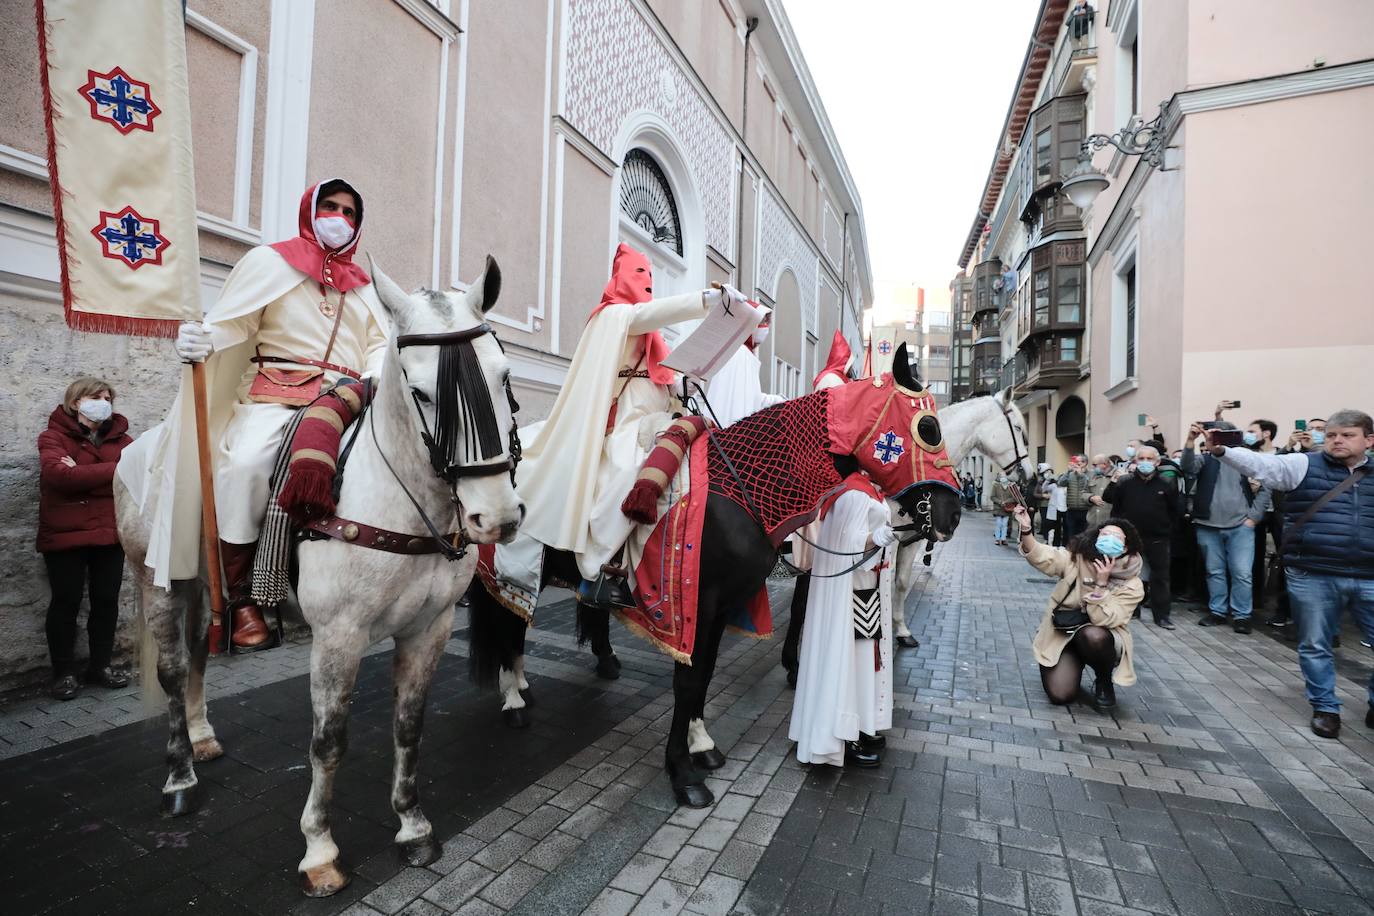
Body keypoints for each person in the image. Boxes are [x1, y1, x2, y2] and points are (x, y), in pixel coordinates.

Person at [164, 179, 389, 653]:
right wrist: (204, 337)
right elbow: (236, 321)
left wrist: (376, 375)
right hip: (277, 393)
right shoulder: (271, 261)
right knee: (245, 465)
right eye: (330, 206)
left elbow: (379, 345)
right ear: (309, 209)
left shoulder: (367, 288)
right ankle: (243, 598)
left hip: (345, 399)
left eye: (349, 212)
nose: (339, 218)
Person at [513, 244, 734, 596]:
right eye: (638, 274)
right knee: (627, 468)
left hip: (657, 417)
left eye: (650, 276)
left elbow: (658, 377)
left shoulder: (649, 331)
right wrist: (705, 300)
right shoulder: (613, 316)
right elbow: (646, 317)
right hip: (622, 426)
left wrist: (682, 383)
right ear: (619, 279)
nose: (647, 281)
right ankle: (602, 564)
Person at [1205, 409, 1374, 739]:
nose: (1337, 440)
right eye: (1332, 434)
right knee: (1315, 643)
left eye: (1347, 435)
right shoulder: (1303, 465)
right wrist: (1224, 451)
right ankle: (1325, 707)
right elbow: (1264, 466)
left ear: (1369, 440)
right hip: (1314, 572)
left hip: (1369, 574)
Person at [790, 474, 897, 767]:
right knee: (848, 660)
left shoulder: (869, 489)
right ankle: (841, 735)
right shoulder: (852, 492)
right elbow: (844, 545)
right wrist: (873, 539)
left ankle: (860, 724)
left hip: (867, 586)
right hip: (850, 590)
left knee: (864, 659)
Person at [37, 378, 134, 700]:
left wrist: (83, 473)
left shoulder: (123, 440)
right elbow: (59, 477)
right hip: (66, 534)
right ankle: (63, 673)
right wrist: (115, 470)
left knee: (106, 602)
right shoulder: (52, 437)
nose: (104, 401)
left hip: (110, 532)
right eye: (96, 396)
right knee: (66, 602)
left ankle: (100, 666)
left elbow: (138, 476)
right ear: (76, 402)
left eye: (108, 397)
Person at [1012, 504, 1144, 709]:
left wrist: (1101, 584)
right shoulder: (1078, 558)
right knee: (1060, 695)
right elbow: (1044, 556)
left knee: (1093, 635)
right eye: (1105, 534)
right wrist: (1027, 530)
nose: (1109, 538)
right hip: (1064, 631)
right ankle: (1067, 660)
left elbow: (1104, 620)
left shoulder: (1132, 584)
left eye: (1116, 536)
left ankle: (1103, 678)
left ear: (1126, 547)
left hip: (1102, 638)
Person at [1181, 422, 1271, 633]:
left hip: (1241, 526)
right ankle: (1217, 612)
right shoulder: (1205, 459)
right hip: (1207, 525)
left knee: (1241, 572)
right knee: (1214, 571)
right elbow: (1186, 467)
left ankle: (1242, 615)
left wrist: (1254, 517)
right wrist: (1190, 441)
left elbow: (1267, 486)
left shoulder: (1247, 460)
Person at [1103, 445, 1181, 629]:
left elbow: (1175, 510)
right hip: (1129, 537)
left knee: (1160, 577)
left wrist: (1167, 530)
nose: (1145, 463)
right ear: (1135, 461)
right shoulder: (1125, 482)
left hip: (1158, 537)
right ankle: (1131, 610)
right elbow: (1111, 501)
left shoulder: (1166, 483)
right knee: (1127, 574)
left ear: (1157, 462)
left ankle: (1162, 616)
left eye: (1150, 459)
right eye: (1141, 459)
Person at [705, 312, 784, 427]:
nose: (766, 328)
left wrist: (776, 400)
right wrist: (776, 400)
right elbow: (749, 401)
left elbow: (749, 395)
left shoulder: (733, 350)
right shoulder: (742, 353)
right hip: (732, 427)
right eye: (762, 323)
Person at [1246, 419, 1288, 624]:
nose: (1249, 434)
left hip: (1279, 512)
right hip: (1256, 511)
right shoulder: (1249, 455)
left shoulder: (1283, 454)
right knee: (1253, 557)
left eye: (1252, 431)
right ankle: (1254, 600)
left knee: (1283, 557)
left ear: (1267, 433)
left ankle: (1281, 607)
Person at [1058, 455, 1092, 542]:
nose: (1075, 464)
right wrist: (1068, 471)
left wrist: (1082, 475)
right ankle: (1072, 553)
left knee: (1084, 535)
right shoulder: (1070, 474)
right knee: (1071, 535)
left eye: (1078, 462)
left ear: (1084, 463)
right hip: (1071, 510)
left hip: (1085, 510)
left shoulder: (1090, 474)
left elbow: (1089, 486)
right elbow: (1061, 483)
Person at [1086, 454, 1113, 529]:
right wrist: (1090, 498)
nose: (1093, 468)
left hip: (1109, 521)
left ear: (1104, 464)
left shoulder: (1116, 476)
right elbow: (1083, 492)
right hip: (1092, 520)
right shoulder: (1092, 476)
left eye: (1095, 465)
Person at [990, 474, 1013, 545]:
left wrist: (1006, 502)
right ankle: (997, 539)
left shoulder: (1010, 487)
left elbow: (1013, 497)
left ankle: (1003, 539)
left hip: (1007, 508)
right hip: (998, 508)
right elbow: (992, 497)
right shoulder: (996, 486)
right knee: (998, 524)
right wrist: (1000, 502)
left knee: (1005, 524)